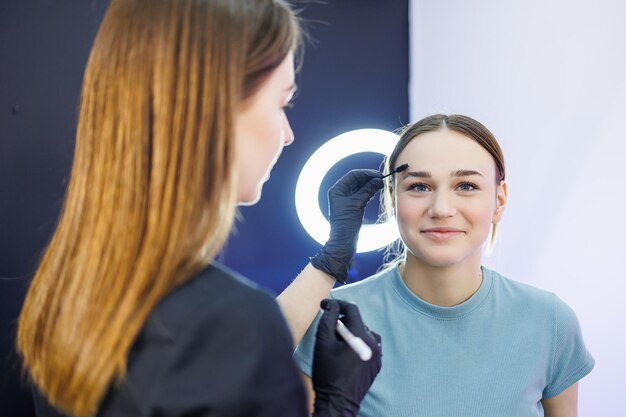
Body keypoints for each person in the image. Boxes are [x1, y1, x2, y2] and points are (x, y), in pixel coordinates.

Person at [16, 1, 384, 417]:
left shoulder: (71, 287)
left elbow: (220, 360)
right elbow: (231, 343)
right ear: (216, 109)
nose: (287, 134)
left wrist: (332, 259)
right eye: (282, 104)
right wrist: (337, 405)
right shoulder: (229, 321)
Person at [294, 114, 595, 417]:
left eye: (465, 185)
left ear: (499, 201)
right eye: (419, 187)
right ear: (392, 198)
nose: (441, 209)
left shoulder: (549, 322)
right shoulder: (336, 321)